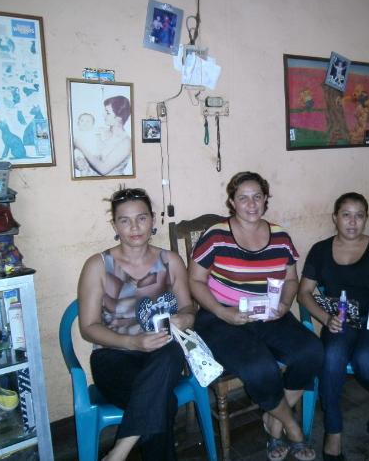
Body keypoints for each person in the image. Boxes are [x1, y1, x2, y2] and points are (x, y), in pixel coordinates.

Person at [188, 171, 321, 461]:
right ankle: (291, 426)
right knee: (260, 367)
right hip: (220, 318)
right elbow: (195, 281)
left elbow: (291, 280)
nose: (251, 204)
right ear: (232, 202)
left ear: (265, 200)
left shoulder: (280, 236)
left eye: (257, 197)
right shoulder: (216, 235)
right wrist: (222, 312)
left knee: (312, 351)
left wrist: (284, 304)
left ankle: (273, 420)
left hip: (269, 312)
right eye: (243, 198)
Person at [78, 188, 195, 461]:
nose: (134, 227)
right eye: (125, 220)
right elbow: (88, 327)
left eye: (141, 218)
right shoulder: (98, 265)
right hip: (114, 355)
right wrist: (132, 342)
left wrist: (186, 318)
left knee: (172, 350)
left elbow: (189, 308)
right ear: (114, 225)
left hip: (163, 353)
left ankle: (120, 451)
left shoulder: (171, 261)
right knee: (163, 401)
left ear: (152, 220)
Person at [298, 192, 369, 461]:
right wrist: (325, 318)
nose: (353, 222)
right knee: (332, 356)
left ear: (366, 218)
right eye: (346, 215)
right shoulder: (320, 251)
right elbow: (304, 293)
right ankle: (333, 430)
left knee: (365, 360)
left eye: (359, 216)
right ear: (335, 218)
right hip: (341, 321)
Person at [74, 96, 132, 176]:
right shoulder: (99, 131)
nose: (103, 115)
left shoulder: (125, 142)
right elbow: (78, 154)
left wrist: (81, 147)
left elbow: (103, 169)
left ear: (119, 118)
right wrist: (77, 163)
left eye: (107, 113)